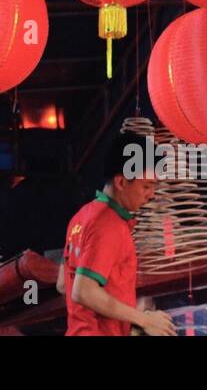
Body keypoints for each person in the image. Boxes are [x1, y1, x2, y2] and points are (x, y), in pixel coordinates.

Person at [56, 130, 177, 336]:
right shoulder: (109, 225)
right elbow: (82, 290)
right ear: (121, 182)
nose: (151, 195)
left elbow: (63, 283)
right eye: (146, 186)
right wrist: (143, 319)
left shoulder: (82, 217)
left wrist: (123, 312)